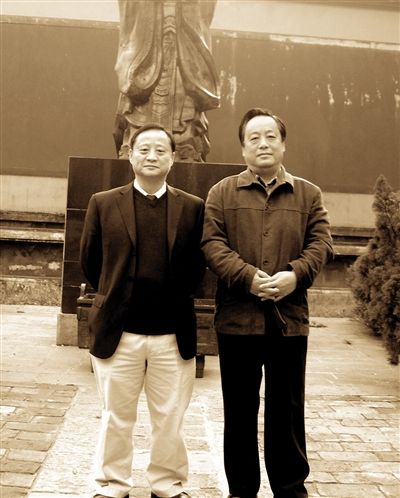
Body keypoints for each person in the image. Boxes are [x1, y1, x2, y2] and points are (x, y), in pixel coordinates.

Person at [201, 108, 334, 498]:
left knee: (287, 411)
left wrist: (295, 275)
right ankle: (242, 490)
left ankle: (290, 489)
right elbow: (211, 244)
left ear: (283, 144)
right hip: (237, 320)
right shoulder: (221, 193)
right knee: (239, 411)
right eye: (254, 138)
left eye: (270, 136)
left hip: (288, 320)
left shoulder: (308, 194)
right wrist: (247, 277)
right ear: (243, 148)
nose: (263, 143)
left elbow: (322, 243)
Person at [80, 123, 206, 498]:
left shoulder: (192, 207)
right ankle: (112, 485)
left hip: (172, 332)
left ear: (173, 158)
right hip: (119, 332)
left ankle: (167, 485)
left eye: (160, 150)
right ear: (130, 154)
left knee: (170, 418)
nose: (152, 156)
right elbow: (91, 262)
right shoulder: (103, 203)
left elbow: (198, 267)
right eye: (144, 149)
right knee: (116, 416)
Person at [114, 0, 220, 161]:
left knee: (183, 93)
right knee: (142, 95)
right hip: (147, 42)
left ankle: (183, 145)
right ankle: (140, 145)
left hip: (182, 43)